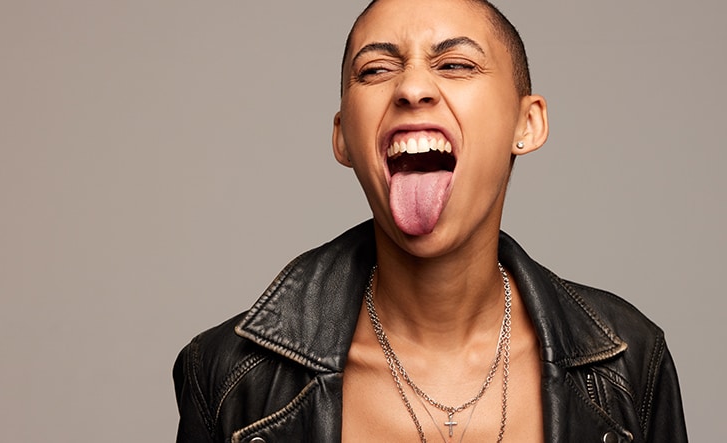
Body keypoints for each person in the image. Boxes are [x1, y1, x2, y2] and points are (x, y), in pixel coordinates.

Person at [173, 0, 688, 441]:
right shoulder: (228, 375)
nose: (412, 87)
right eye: (375, 70)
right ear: (343, 137)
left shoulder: (629, 361)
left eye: (457, 65)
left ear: (526, 123)